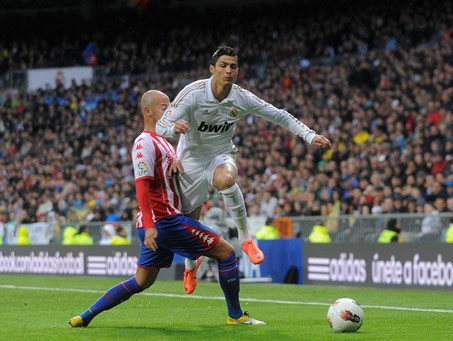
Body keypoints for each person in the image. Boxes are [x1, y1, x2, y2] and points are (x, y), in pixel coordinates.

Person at [69, 90, 264, 328]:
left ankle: (85, 316)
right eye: (164, 107)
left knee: (141, 282)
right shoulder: (144, 142)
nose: (170, 111)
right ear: (148, 111)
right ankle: (235, 315)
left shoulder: (165, 143)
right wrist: (151, 226)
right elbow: (142, 184)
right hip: (164, 222)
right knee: (226, 253)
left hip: (159, 223)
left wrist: (175, 163)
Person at [155, 46, 331, 287]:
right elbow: (160, 126)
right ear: (212, 69)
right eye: (223, 65)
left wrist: (309, 136)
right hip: (191, 161)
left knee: (227, 179)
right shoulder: (193, 93)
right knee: (190, 223)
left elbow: (280, 115)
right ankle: (190, 264)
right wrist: (172, 129)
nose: (228, 70)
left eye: (233, 66)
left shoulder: (241, 97)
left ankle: (246, 238)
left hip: (220, 155)